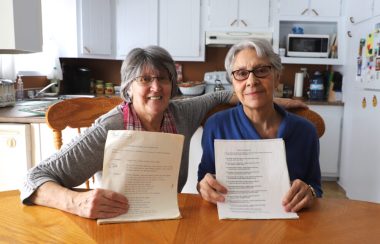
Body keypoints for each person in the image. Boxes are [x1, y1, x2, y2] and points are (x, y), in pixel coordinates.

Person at [20, 45, 306, 219]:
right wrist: (77, 201)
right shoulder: (109, 128)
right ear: (128, 88)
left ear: (173, 84)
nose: (156, 87)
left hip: (168, 221)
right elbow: (33, 179)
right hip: (114, 227)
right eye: (144, 79)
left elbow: (221, 96)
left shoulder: (181, 113)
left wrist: (265, 98)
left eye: (163, 78)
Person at [197, 39, 322, 213]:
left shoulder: (306, 131)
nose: (251, 81)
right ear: (232, 82)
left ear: (277, 76)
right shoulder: (216, 126)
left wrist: (310, 192)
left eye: (261, 70)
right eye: (241, 73)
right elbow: (203, 178)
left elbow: (316, 186)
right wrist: (203, 187)